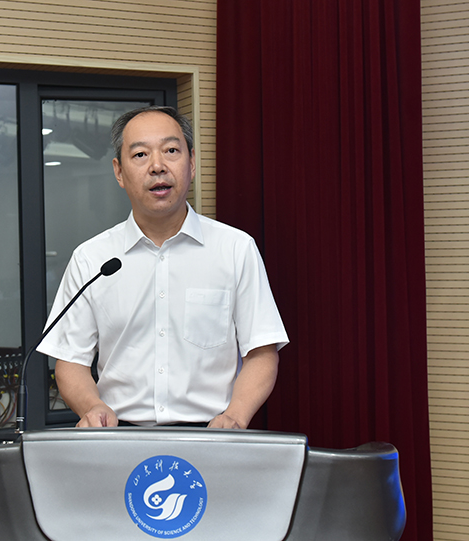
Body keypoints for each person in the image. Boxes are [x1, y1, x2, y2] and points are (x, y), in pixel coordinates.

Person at [36, 105, 288, 429]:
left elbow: (261, 353)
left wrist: (235, 416)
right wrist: (92, 407)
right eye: (140, 155)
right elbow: (70, 361)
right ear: (119, 172)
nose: (157, 166)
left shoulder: (236, 249)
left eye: (171, 151)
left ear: (192, 163)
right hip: (119, 434)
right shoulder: (91, 259)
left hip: (212, 435)